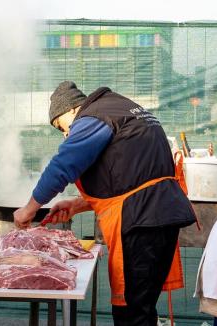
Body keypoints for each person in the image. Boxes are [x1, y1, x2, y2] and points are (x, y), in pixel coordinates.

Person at [14, 81, 197, 325]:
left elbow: (63, 165)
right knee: (142, 307)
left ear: (71, 110)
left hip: (141, 219)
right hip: (161, 214)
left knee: (131, 314)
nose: (67, 134)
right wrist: (78, 205)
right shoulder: (123, 109)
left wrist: (28, 209)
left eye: (62, 127)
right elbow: (131, 175)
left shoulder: (94, 118)